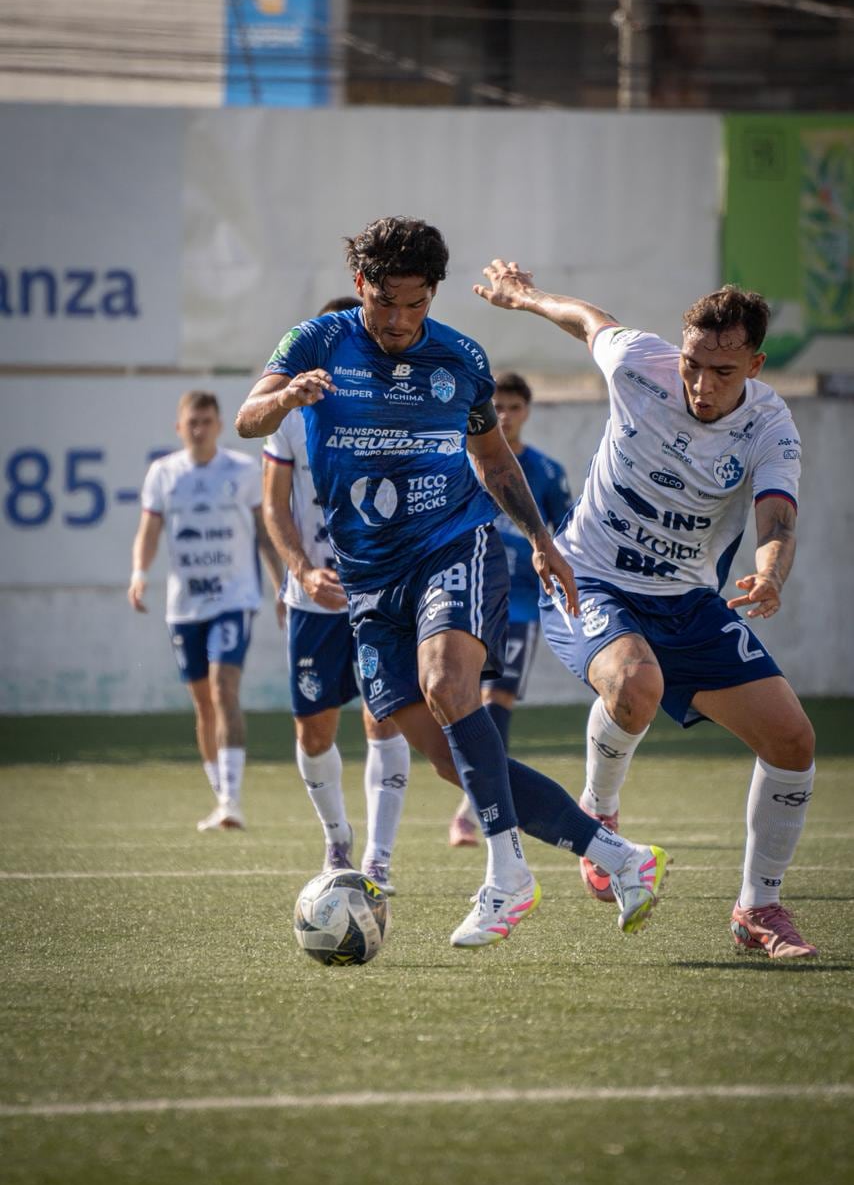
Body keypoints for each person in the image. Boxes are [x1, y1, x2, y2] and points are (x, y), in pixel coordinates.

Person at [235, 216, 669, 948]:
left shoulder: (461, 359)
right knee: (448, 755)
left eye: (416, 304)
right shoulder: (315, 343)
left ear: (433, 294)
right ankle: (619, 856)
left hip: (452, 547)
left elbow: (495, 463)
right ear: (359, 287)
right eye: (385, 303)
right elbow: (249, 419)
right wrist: (284, 400)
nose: (401, 321)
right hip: (368, 581)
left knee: (447, 684)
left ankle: (508, 877)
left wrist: (540, 541)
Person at [474, 259, 817, 959]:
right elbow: (589, 320)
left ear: (753, 364)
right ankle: (598, 812)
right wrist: (525, 297)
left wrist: (771, 571)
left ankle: (758, 908)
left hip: (686, 599)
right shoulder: (640, 363)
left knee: (793, 742)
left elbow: (775, 514)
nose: (701, 383)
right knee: (635, 685)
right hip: (587, 576)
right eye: (694, 363)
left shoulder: (769, 424)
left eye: (723, 371)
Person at [263, 296, 410, 895]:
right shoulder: (292, 414)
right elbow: (274, 505)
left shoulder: (402, 407)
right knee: (313, 733)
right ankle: (337, 840)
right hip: (314, 604)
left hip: (383, 598)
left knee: (386, 721)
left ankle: (377, 859)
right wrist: (300, 572)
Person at [129, 389, 285, 831]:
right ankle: (220, 797)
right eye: (191, 423)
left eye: (207, 421)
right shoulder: (163, 474)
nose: (199, 429)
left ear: (219, 425)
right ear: (179, 428)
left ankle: (233, 799)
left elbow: (262, 531)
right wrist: (140, 572)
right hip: (185, 604)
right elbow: (149, 530)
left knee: (223, 689)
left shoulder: (241, 469)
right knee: (203, 704)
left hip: (234, 598)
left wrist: (280, 586)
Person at [449, 370, 572, 847]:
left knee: (496, 700)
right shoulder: (463, 462)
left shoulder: (544, 471)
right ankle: (481, 797)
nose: (504, 416)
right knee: (460, 701)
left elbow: (565, 533)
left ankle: (472, 807)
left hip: (519, 602)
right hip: (468, 592)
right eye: (496, 407)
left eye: (514, 408)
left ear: (527, 411)